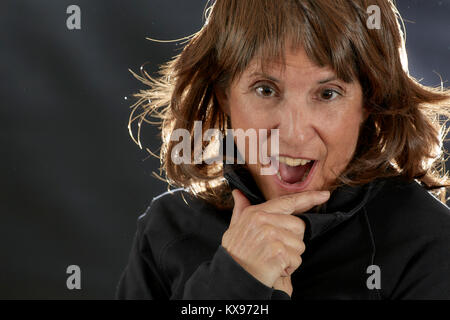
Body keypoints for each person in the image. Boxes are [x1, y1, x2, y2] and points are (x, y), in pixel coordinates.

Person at [116, 0, 450, 299]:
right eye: (265, 89)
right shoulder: (168, 230)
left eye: (328, 94)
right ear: (223, 95)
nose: (292, 133)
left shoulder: (429, 242)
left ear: (369, 102)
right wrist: (234, 282)